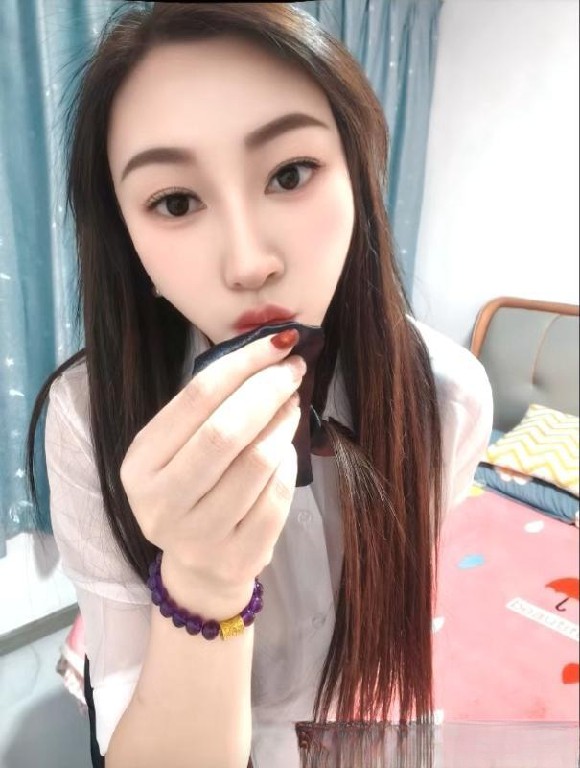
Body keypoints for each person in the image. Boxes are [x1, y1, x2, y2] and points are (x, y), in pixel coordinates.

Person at [25, 3, 493, 767]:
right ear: (130, 244)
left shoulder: (448, 396)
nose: (249, 263)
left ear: (359, 179)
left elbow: (398, 616)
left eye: (290, 173)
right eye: (176, 202)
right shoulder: (86, 415)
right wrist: (200, 581)